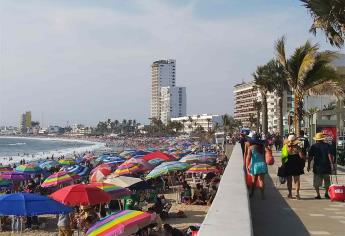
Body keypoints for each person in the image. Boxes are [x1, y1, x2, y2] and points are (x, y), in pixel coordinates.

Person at [307, 133, 336, 199]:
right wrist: (332, 165)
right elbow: (330, 156)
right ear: (322, 139)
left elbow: (310, 157)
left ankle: (318, 195)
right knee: (327, 181)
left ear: (316, 139)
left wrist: (308, 165)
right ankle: (326, 193)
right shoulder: (327, 145)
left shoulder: (313, 146)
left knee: (316, 182)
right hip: (326, 166)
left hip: (317, 167)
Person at [246, 134, 268, 199]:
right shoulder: (262, 148)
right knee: (261, 180)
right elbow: (264, 157)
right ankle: (262, 195)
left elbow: (248, 158)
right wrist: (265, 165)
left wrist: (247, 166)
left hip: (255, 165)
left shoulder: (250, 148)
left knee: (254, 181)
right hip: (262, 164)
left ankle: (252, 193)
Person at [284, 135, 305, 199]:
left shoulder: (285, 147)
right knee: (297, 180)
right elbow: (301, 157)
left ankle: (290, 194)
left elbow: (283, 157)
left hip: (288, 164)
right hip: (296, 164)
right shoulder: (297, 148)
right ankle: (297, 194)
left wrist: (283, 165)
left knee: (289, 180)